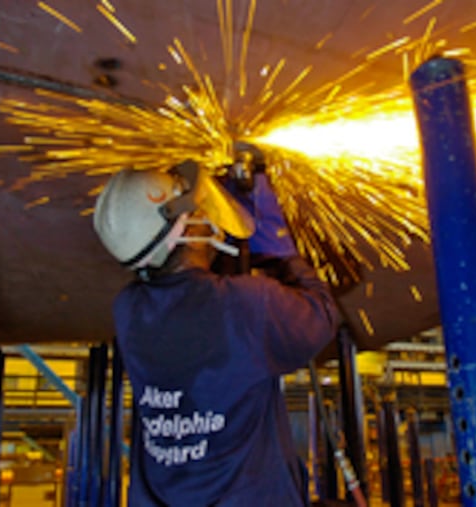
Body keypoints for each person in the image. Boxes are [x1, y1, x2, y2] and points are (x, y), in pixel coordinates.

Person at [93, 158, 340, 506]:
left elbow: (198, 300)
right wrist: (278, 250)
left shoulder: (130, 311)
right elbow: (322, 316)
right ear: (188, 229)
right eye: (200, 212)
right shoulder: (250, 305)